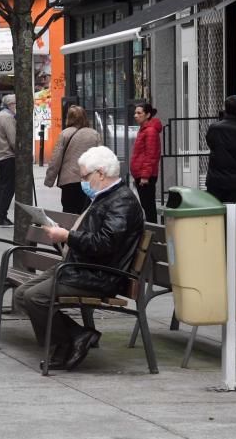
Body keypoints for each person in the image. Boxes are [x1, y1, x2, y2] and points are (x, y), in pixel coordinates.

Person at [14, 146, 145, 371]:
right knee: (21, 295)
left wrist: (67, 236)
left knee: (35, 298)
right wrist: (64, 234)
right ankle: (77, 336)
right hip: (81, 267)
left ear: (101, 173)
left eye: (85, 176)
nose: (82, 181)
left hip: (99, 275)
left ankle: (67, 342)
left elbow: (105, 243)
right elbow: (95, 236)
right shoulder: (105, 196)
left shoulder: (122, 201)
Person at [45, 105, 101, 214]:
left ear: (69, 117)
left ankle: (69, 230)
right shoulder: (94, 134)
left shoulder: (65, 134)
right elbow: (100, 157)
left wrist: (49, 180)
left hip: (69, 181)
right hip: (88, 180)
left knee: (69, 211)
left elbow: (56, 159)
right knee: (86, 211)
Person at [130, 101, 162, 222]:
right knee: (147, 206)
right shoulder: (144, 129)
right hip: (142, 175)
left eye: (139, 113)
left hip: (146, 176)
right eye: (135, 113)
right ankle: (152, 232)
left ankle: (153, 234)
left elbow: (151, 156)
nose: (135, 115)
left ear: (147, 115)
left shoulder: (150, 131)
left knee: (149, 207)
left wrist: (145, 176)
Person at [0, 94, 17, 227]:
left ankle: (0, 215)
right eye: (15, 104)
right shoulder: (8, 117)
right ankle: (2, 216)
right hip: (8, 156)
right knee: (8, 188)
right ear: (10, 104)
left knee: (3, 187)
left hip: (0, 155)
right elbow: (13, 140)